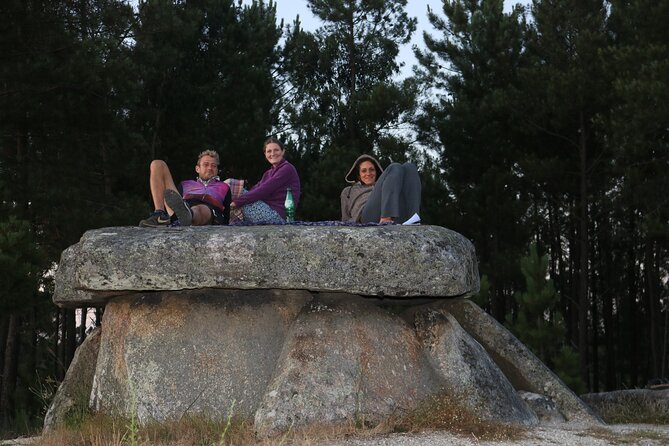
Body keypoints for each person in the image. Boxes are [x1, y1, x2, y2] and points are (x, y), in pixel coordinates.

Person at [139, 150, 231, 227]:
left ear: (217, 170)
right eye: (206, 165)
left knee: (201, 208)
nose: (210, 168)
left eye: (214, 166)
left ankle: (189, 215)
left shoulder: (224, 186)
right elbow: (175, 201)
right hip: (182, 207)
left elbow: (226, 215)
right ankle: (159, 214)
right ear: (197, 169)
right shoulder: (185, 184)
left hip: (208, 211)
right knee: (157, 163)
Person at [231, 137, 301, 223]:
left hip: (277, 216)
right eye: (269, 151)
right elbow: (254, 190)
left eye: (276, 150)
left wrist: (236, 202)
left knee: (230, 185)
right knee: (229, 189)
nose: (273, 153)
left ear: (283, 152)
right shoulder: (268, 173)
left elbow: (263, 190)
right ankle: (215, 213)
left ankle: (214, 213)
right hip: (266, 211)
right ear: (265, 154)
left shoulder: (287, 169)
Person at [340, 154, 421, 224]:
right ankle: (386, 218)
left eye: (371, 170)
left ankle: (413, 218)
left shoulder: (385, 185)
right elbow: (345, 218)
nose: (368, 173)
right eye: (364, 171)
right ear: (359, 175)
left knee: (410, 167)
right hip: (367, 216)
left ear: (376, 172)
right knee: (395, 167)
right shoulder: (348, 191)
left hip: (396, 215)